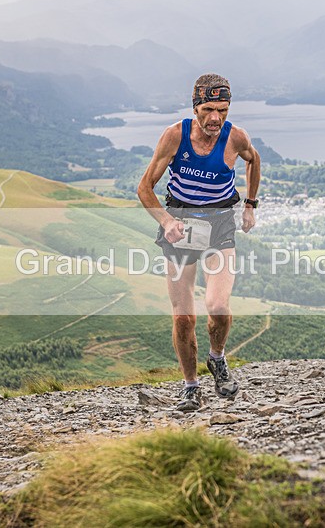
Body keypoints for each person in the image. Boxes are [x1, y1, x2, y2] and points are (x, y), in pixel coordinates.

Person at [137, 73, 261, 412]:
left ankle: (217, 358)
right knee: (183, 318)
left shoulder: (236, 137)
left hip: (220, 224)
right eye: (208, 109)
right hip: (180, 224)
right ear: (195, 107)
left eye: (222, 109)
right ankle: (191, 385)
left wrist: (250, 205)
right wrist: (166, 221)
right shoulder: (174, 137)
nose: (214, 118)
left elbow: (254, 159)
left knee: (218, 307)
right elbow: (144, 188)